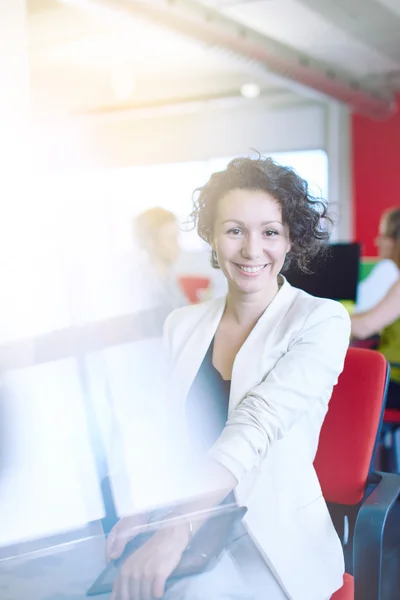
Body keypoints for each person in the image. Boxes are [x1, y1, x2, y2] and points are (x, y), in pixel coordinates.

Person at [106, 157, 351, 600]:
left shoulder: (321, 320)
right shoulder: (181, 323)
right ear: (213, 238)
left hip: (272, 539)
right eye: (234, 229)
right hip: (184, 519)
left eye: (270, 232)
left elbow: (253, 426)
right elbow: (156, 429)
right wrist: (143, 508)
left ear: (291, 238)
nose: (251, 250)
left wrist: (173, 533)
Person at [133, 207, 187, 335]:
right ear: (151, 242)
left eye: (177, 237)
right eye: (171, 238)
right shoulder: (147, 285)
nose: (178, 245)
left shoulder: (167, 276)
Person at [351, 279, 400, 409]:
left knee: (335, 381)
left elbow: (363, 327)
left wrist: (324, 319)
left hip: (394, 379)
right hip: (391, 373)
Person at [355, 208, 400, 313]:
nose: (377, 242)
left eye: (383, 236)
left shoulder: (388, 268)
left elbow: (365, 323)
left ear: (395, 241)